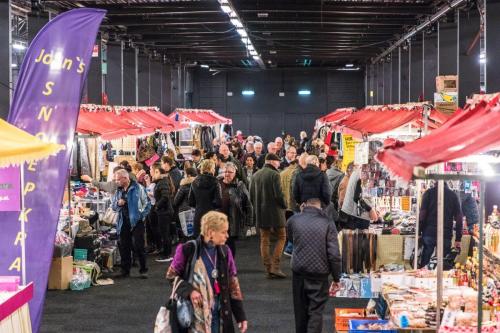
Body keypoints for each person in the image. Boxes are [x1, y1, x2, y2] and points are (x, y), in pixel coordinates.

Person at [166, 211, 248, 333]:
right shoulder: (187, 249)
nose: (227, 236)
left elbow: (233, 284)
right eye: (223, 232)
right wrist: (190, 291)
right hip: (193, 315)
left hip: (219, 314)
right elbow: (171, 275)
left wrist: (240, 316)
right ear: (210, 232)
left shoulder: (226, 252)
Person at [287, 198, 342, 333]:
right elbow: (334, 255)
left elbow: (291, 239)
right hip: (319, 274)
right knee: (316, 312)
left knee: (300, 312)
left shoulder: (293, 220)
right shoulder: (328, 223)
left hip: (299, 272)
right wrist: (337, 278)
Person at [250, 153, 287, 279]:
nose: (279, 164)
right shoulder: (275, 174)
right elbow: (279, 195)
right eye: (278, 161)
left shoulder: (255, 175)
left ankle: (268, 268)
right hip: (276, 213)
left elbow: (251, 195)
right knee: (282, 237)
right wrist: (285, 205)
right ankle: (275, 267)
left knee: (264, 240)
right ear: (271, 161)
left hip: (261, 213)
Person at [111, 169, 151, 278]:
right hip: (123, 221)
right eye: (115, 180)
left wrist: (140, 216)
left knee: (139, 246)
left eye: (118, 179)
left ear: (125, 178)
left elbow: (148, 204)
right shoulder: (118, 191)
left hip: (136, 221)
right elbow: (113, 207)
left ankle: (143, 270)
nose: (116, 182)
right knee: (124, 246)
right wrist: (118, 204)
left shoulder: (138, 188)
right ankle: (125, 270)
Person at [419, 182, 463, 268]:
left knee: (425, 261)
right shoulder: (453, 195)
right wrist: (458, 238)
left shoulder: (428, 193)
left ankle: (422, 279)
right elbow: (459, 218)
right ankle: (442, 280)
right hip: (445, 233)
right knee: (443, 263)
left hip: (429, 232)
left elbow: (422, 215)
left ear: (435, 184)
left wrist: (419, 232)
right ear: (446, 184)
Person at [218, 162, 253, 256]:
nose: (227, 174)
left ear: (235, 173)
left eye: (230, 172)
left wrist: (249, 223)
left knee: (229, 244)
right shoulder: (217, 182)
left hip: (233, 220)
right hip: (218, 220)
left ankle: (230, 265)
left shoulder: (239, 185)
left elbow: (248, 204)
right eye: (225, 171)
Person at [189, 159, 222, 237]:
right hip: (211, 216)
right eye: (213, 168)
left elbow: (190, 201)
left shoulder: (194, 182)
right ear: (211, 169)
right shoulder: (216, 182)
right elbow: (219, 202)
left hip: (198, 215)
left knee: (199, 242)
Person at [153, 165, 176, 263]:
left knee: (165, 233)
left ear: (162, 174)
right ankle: (166, 252)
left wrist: (157, 205)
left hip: (164, 211)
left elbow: (165, 197)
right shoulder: (161, 182)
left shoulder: (162, 182)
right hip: (164, 211)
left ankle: (167, 254)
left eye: (157, 172)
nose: (154, 173)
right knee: (164, 233)